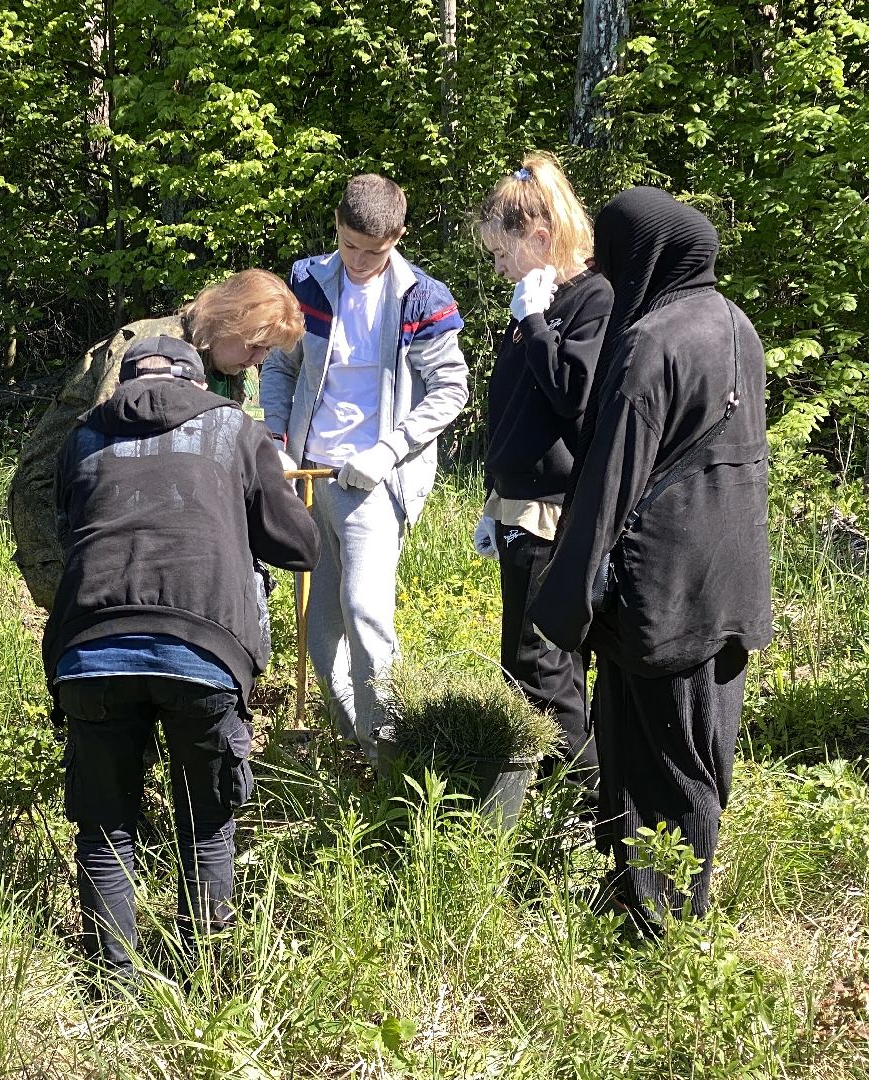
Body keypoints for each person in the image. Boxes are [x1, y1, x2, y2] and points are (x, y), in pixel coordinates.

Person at [530, 188, 771, 936]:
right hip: (731, 583)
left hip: (659, 587)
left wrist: (563, 599)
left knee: (646, 751)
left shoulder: (653, 338)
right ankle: (666, 903)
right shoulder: (738, 325)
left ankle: (656, 920)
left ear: (646, 255)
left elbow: (612, 477)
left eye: (614, 250)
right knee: (703, 749)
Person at [44, 335, 317, 990]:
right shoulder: (235, 430)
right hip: (206, 648)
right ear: (199, 383)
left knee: (105, 834)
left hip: (91, 650)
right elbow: (298, 546)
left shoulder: (81, 435)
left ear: (126, 379)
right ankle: (209, 987)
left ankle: (112, 992)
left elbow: (67, 530)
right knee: (207, 831)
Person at [262, 174, 468, 763]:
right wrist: (277, 440)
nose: (358, 261)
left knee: (367, 615)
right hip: (308, 475)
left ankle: (395, 756)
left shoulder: (421, 299)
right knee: (319, 632)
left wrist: (388, 450)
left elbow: (451, 389)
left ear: (397, 237)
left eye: (373, 252)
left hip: (374, 481)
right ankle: (360, 743)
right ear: (337, 226)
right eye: (350, 245)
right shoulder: (308, 282)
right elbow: (279, 369)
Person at [10, 269, 305, 609]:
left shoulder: (242, 375)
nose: (259, 359)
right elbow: (111, 457)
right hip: (67, 516)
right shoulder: (149, 349)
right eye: (255, 345)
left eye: (267, 351)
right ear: (228, 319)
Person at [473, 152, 614, 812]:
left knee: (546, 667)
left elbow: (573, 400)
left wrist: (534, 324)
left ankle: (590, 815)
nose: (498, 268)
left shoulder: (590, 299)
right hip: (516, 505)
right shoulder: (539, 301)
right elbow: (516, 414)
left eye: (503, 253)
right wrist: (491, 495)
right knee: (521, 667)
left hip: (553, 515)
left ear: (538, 237)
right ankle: (549, 804)